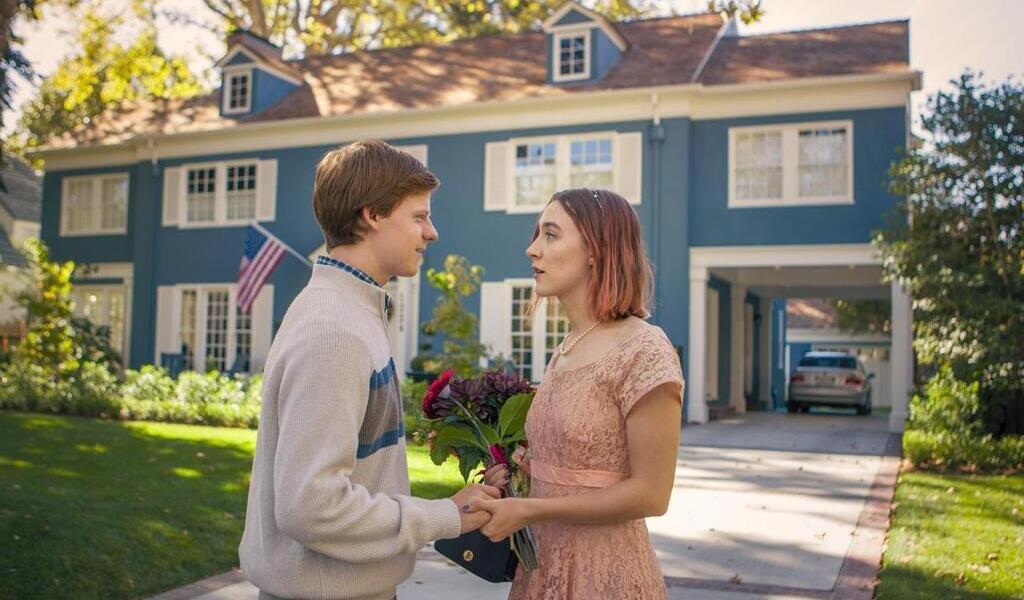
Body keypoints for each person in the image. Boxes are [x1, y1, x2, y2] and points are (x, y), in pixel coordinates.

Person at [240, 140, 499, 600]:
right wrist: (444, 515)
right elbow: (311, 506)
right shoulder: (333, 330)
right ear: (372, 216)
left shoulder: (354, 313)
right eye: (419, 217)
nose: (432, 232)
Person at [476, 188, 684, 599]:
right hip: (542, 565)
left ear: (596, 249)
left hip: (606, 574)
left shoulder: (644, 349)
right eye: (538, 234)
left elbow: (651, 494)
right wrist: (517, 475)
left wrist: (530, 510)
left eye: (550, 235)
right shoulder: (567, 347)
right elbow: (574, 466)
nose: (532, 249)